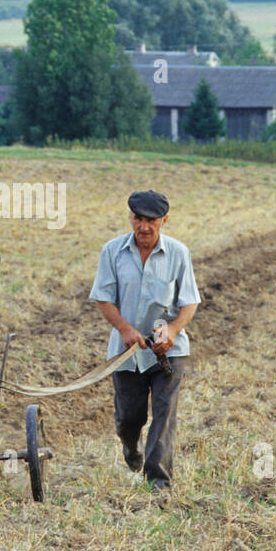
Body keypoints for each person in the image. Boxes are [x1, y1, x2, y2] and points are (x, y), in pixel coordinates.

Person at [89, 190, 200, 491]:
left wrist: (174, 330)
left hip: (168, 352)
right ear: (131, 218)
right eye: (138, 219)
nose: (143, 227)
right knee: (129, 418)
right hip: (126, 353)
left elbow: (189, 302)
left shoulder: (178, 253)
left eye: (151, 221)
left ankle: (158, 483)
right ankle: (132, 450)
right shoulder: (112, 251)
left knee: (165, 414)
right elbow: (103, 299)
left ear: (164, 220)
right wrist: (125, 329)